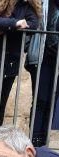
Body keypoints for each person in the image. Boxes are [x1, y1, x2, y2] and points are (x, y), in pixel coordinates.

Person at [0, 0, 40, 134]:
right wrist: (15, 23)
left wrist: (11, 25)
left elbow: (34, 25)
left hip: (10, 62)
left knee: (1, 105)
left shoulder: (26, 6)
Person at [25, 0, 59, 146]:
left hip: (57, 59)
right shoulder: (42, 3)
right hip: (42, 56)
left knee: (51, 102)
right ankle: (35, 139)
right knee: (41, 100)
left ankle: (44, 140)